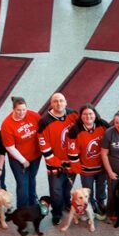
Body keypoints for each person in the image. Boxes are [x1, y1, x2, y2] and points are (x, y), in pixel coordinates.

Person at [38, 92, 78, 225]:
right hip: (55, 165)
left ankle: (67, 204)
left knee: (67, 187)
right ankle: (56, 212)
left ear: (66, 102)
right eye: (55, 101)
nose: (59, 104)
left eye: (61, 101)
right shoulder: (44, 122)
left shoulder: (74, 115)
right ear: (51, 104)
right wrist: (61, 163)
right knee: (56, 191)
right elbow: (45, 149)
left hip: (72, 162)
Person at [67, 104, 110, 215]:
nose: (88, 116)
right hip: (86, 169)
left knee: (101, 187)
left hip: (102, 167)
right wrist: (77, 168)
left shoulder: (103, 125)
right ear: (80, 116)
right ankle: (91, 204)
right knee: (88, 189)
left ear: (95, 114)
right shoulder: (75, 131)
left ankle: (101, 202)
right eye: (85, 114)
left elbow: (111, 141)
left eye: (90, 113)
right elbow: (72, 152)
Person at [1, 96, 43, 209]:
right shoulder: (7, 124)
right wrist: (23, 160)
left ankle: (33, 205)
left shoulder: (33, 115)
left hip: (35, 156)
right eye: (18, 110)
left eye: (24, 110)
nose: (22, 113)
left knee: (32, 180)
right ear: (13, 109)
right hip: (18, 160)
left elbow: (44, 129)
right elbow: (9, 147)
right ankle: (22, 210)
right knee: (23, 185)